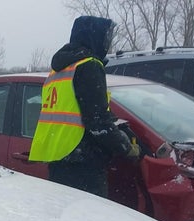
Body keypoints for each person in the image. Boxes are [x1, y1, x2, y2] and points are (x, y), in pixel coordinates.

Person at [29, 15, 139, 198]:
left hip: (59, 157)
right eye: (106, 38)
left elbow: (78, 109)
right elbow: (97, 122)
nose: (107, 43)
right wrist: (125, 147)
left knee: (64, 217)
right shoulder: (89, 66)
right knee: (86, 219)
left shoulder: (59, 69)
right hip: (83, 162)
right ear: (94, 37)